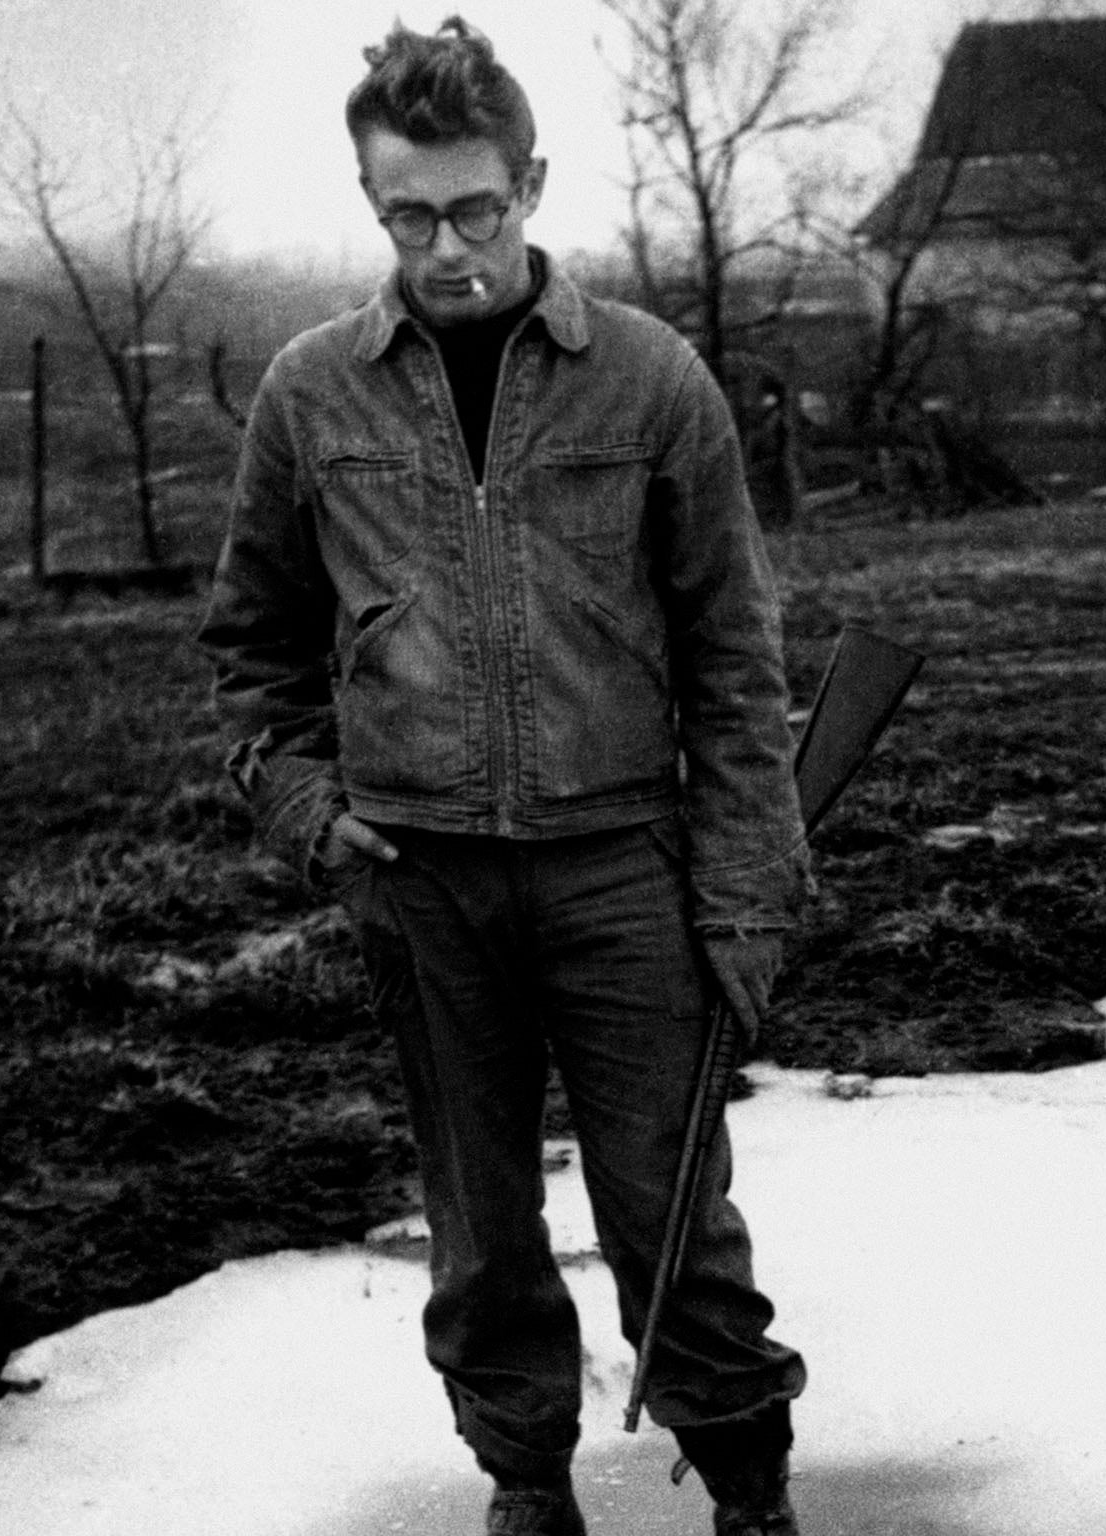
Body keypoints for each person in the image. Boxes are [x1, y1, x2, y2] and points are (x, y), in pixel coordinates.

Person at [195, 17, 810, 1536]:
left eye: (477, 210)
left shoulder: (654, 385)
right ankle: (527, 1490)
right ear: (372, 206)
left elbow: (737, 665)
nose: (450, 248)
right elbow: (253, 651)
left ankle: (748, 1492)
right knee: (479, 1236)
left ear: (531, 184)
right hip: (418, 881)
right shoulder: (310, 395)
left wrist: (743, 901)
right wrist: (310, 815)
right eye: (412, 216)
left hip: (624, 875)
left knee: (675, 1217)